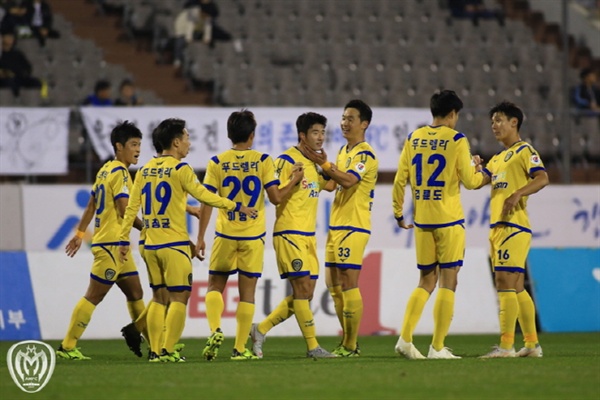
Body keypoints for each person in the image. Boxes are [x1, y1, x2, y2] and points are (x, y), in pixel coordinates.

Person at [118, 118, 256, 363]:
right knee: (179, 298)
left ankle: (155, 351)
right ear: (176, 142)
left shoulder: (144, 170)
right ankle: (168, 350)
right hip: (174, 245)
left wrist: (122, 239)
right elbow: (206, 195)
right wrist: (237, 206)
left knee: (159, 299)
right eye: (187, 138)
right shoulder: (181, 169)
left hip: (149, 245)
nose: (189, 144)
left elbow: (131, 209)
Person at [196, 109, 304, 361]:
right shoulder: (263, 160)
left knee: (215, 285)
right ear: (252, 135)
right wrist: (293, 180)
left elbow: (207, 202)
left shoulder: (216, 162)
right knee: (247, 294)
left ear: (229, 134)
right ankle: (239, 348)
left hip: (225, 233)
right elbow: (276, 198)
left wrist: (200, 237)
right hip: (252, 237)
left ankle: (215, 330)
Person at [392, 90, 485, 360]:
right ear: (453, 114)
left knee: (425, 281)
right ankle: (437, 346)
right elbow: (469, 181)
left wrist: (399, 213)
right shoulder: (457, 139)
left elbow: (400, 179)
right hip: (449, 220)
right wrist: (482, 173)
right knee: (448, 281)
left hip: (422, 221)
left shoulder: (414, 137)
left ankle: (405, 339)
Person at [249, 112, 337, 359]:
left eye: (322, 132)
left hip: (308, 236)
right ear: (303, 135)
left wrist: (324, 165)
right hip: (289, 232)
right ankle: (312, 347)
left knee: (306, 292)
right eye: (315, 132)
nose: (320, 137)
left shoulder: (312, 162)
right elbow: (274, 195)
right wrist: (294, 179)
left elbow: (329, 186)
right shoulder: (286, 160)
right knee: (301, 289)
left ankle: (260, 329)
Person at [56, 121, 147, 360]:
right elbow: (124, 208)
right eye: (133, 144)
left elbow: (92, 204)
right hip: (110, 245)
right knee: (93, 295)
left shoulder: (105, 170)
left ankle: (156, 344)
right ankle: (67, 346)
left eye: (140, 144)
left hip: (116, 247)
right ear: (119, 146)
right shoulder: (120, 173)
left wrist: (79, 234)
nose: (138, 149)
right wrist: (146, 227)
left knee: (136, 293)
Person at [301, 99, 378, 357]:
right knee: (333, 284)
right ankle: (348, 341)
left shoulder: (364, 154)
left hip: (354, 225)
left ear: (364, 124)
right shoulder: (344, 151)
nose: (344, 122)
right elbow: (333, 184)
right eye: (343, 117)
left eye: (351, 118)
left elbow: (347, 180)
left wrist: (323, 165)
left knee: (348, 282)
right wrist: (310, 174)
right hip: (337, 225)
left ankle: (351, 344)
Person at [477, 101, 548, 358]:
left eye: (498, 120)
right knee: (516, 287)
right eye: (492, 121)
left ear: (514, 122)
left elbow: (542, 178)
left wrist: (517, 193)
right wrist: (473, 165)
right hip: (498, 227)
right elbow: (477, 183)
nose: (494, 126)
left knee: (504, 283)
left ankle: (506, 346)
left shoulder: (524, 151)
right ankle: (531, 345)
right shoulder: (497, 158)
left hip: (513, 226)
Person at [0, 29, 41, 96]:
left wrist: (22, 73)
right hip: (4, 80)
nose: (10, 39)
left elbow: (28, 67)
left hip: (18, 78)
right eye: (8, 36)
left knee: (37, 83)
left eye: (12, 36)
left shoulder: (17, 53)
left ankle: (44, 100)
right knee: (12, 82)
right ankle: (15, 100)